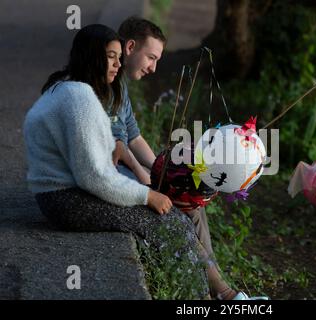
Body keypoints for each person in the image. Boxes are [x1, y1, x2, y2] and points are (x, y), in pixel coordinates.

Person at [23, 24, 209, 298]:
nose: (118, 64)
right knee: (173, 222)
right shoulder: (81, 97)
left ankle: (204, 294)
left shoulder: (64, 86)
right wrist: (147, 195)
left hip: (58, 194)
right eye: (111, 56)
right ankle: (200, 298)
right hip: (67, 200)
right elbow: (95, 177)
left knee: (172, 219)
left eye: (119, 57)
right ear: (91, 56)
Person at [111, 17, 268, 300]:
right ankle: (218, 295)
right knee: (181, 212)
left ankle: (221, 293)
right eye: (151, 57)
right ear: (131, 47)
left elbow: (133, 137)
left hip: (129, 176)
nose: (153, 67)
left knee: (193, 203)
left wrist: (164, 165)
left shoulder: (120, 88)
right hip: (117, 181)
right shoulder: (107, 87)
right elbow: (117, 148)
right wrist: (150, 179)